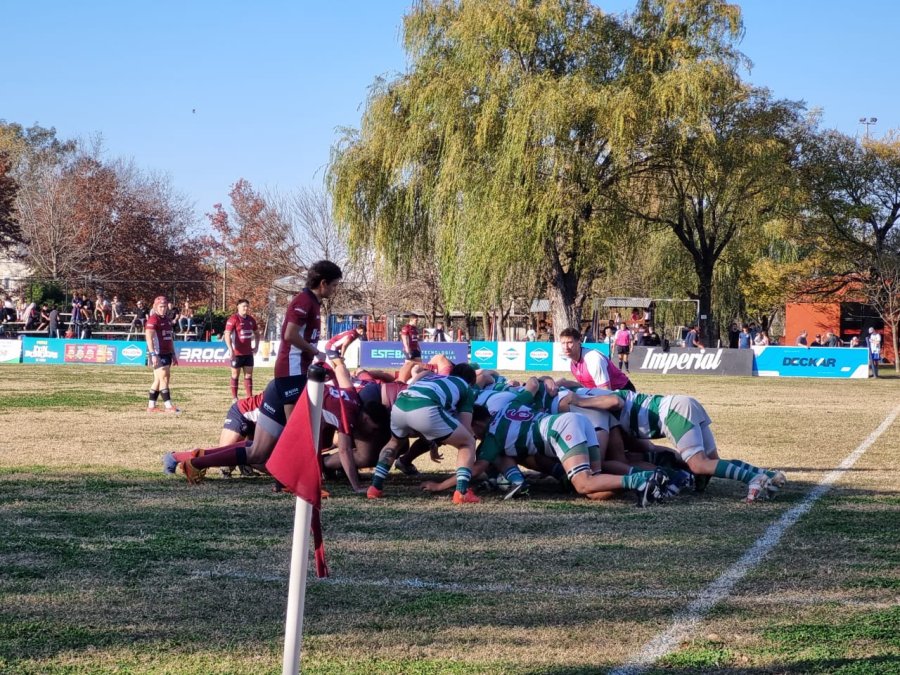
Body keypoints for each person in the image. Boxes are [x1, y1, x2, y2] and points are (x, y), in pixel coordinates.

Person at [573, 389, 787, 502]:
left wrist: (578, 401)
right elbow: (645, 446)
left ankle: (753, 478)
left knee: (698, 464)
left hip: (674, 411)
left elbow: (614, 402)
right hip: (683, 403)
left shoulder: (597, 397)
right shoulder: (603, 401)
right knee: (712, 463)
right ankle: (767, 474)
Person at [367, 363, 481, 504]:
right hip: (426, 406)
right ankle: (462, 492)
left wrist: (433, 443)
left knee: (394, 443)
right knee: (467, 442)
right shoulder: (465, 387)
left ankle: (375, 487)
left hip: (401, 403)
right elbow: (465, 426)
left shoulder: (436, 379)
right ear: (471, 381)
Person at [273, 260, 343, 422]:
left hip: (300, 368)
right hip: (291, 368)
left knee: (306, 421)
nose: (335, 290)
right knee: (295, 425)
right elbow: (290, 334)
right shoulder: (304, 300)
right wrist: (316, 352)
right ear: (323, 283)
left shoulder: (313, 302)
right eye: (334, 285)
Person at [558, 327, 634, 392]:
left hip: (623, 393)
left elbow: (606, 393)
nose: (566, 347)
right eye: (563, 343)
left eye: (569, 342)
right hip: (604, 395)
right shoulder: (573, 361)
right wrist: (563, 383)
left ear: (579, 342)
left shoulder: (593, 359)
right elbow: (586, 387)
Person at [145, 295, 180, 413]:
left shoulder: (167, 320)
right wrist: (152, 354)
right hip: (158, 353)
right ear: (155, 307)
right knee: (164, 377)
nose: (163, 309)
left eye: (164, 306)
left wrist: (173, 354)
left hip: (167, 353)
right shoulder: (153, 319)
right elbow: (148, 338)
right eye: (160, 306)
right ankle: (168, 406)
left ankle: (151, 406)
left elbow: (170, 339)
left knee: (158, 380)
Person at [223, 298, 261, 402]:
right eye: (244, 306)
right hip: (237, 353)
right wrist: (230, 349)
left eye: (247, 306)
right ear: (238, 307)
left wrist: (257, 346)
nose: (246, 308)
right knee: (235, 375)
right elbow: (227, 335)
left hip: (248, 353)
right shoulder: (233, 319)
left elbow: (257, 334)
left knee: (248, 375)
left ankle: (249, 398)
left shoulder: (251, 320)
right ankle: (235, 398)